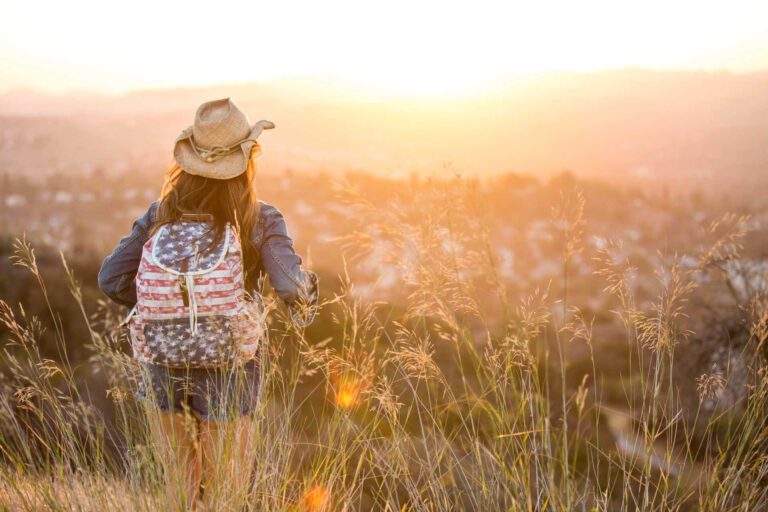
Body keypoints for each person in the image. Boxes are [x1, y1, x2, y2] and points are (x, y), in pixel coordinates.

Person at [98, 98, 318, 510]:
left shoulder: (160, 214)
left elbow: (109, 278)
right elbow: (291, 287)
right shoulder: (261, 218)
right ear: (248, 159)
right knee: (227, 497)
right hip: (230, 366)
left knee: (180, 494)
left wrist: (165, 306)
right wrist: (304, 295)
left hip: (164, 364)